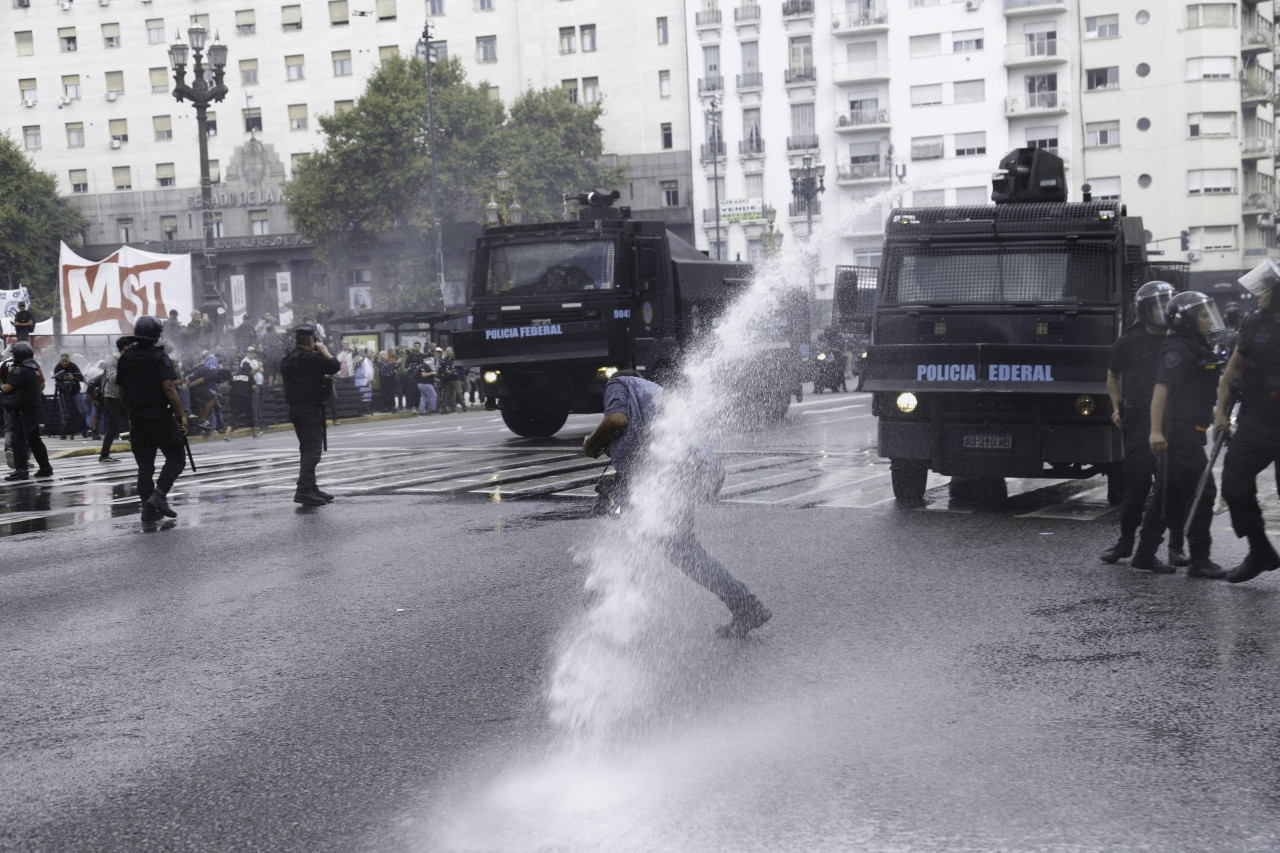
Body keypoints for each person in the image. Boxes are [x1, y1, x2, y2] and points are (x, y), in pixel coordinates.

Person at [582, 370, 772, 638]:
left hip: (675, 473)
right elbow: (645, 449)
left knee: (644, 540)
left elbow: (616, 420)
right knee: (681, 551)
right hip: (692, 472)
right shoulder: (653, 397)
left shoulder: (618, 383)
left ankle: (604, 608)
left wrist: (592, 444)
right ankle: (745, 606)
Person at [1130, 292, 1228, 578]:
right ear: (1185, 320)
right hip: (1178, 434)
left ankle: (1144, 555)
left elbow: (1194, 396)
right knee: (1204, 491)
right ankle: (1200, 560)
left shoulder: (1195, 346)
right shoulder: (1178, 350)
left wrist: (1219, 421)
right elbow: (1161, 391)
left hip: (1189, 432)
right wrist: (1156, 431)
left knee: (1167, 496)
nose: (1209, 319)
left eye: (1209, 313)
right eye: (1202, 314)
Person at [1101, 281, 1185, 565]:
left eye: (1167, 303)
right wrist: (1116, 407)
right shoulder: (1127, 341)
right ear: (1144, 310)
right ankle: (1125, 543)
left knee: (1174, 484)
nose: (1164, 310)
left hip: (1174, 419)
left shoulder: (1179, 338)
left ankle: (1176, 546)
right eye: (1158, 305)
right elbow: (1113, 376)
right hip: (1138, 421)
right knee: (1136, 484)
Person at [1215, 261, 1280, 583]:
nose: (1259, 295)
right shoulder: (1255, 322)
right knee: (1234, 484)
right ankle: (1260, 551)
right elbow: (1234, 370)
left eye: (1265, 289)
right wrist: (1221, 413)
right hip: (1257, 418)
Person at [114, 316, 188, 522]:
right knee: (176, 458)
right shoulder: (159, 356)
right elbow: (168, 386)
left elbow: (121, 391)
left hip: (137, 416)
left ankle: (148, 509)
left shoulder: (126, 358)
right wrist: (181, 414)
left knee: (145, 466)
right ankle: (158, 496)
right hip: (159, 415)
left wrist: (130, 414)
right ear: (157, 334)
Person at [280, 325, 340, 506]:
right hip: (309, 409)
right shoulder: (310, 357)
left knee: (306, 448)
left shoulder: (289, 358)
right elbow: (335, 365)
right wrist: (325, 351)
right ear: (311, 341)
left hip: (296, 408)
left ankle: (311, 487)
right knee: (313, 450)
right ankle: (304, 490)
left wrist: (322, 379)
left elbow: (302, 378)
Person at [1, 342, 53, 481]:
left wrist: (1, 385)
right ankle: (45, 468)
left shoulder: (21, 371)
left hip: (22, 411)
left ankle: (21, 470)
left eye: (15, 355)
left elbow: (7, 388)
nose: (13, 358)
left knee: (18, 440)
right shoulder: (34, 369)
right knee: (34, 440)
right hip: (33, 410)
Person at [97, 337, 131, 463]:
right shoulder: (113, 359)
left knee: (134, 422)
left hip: (125, 396)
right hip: (113, 397)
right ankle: (104, 455)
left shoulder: (128, 359)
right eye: (130, 346)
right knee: (113, 427)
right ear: (125, 347)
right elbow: (112, 378)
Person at [52, 352, 86, 439]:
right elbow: (56, 380)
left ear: (69, 360)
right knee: (63, 413)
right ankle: (63, 432)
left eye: (66, 361)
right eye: (62, 361)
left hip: (75, 392)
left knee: (80, 411)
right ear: (60, 361)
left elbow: (81, 378)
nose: (64, 363)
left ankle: (83, 430)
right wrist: (63, 378)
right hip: (63, 392)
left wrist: (73, 378)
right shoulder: (57, 367)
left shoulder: (73, 366)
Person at [227, 357, 260, 438]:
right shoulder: (249, 375)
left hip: (234, 399)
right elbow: (254, 387)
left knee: (233, 417)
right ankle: (255, 434)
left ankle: (227, 434)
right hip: (246, 399)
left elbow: (228, 386)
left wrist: (237, 388)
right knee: (251, 417)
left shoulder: (234, 375)